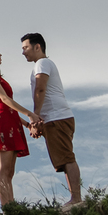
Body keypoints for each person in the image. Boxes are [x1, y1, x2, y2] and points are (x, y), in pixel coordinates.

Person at [0, 43, 41, 207]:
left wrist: (26, 124)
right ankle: (8, 208)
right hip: (2, 121)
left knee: (9, 171)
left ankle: (11, 206)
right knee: (4, 169)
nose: (0, 54)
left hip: (9, 119)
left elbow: (8, 107)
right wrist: (30, 114)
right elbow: (4, 100)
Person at [21, 32, 81, 205]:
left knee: (67, 158)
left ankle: (76, 199)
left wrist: (35, 118)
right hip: (55, 118)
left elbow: (40, 88)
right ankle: (75, 198)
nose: (23, 52)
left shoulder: (42, 63)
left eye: (25, 48)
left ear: (37, 46)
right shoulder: (42, 64)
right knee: (63, 159)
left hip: (57, 118)